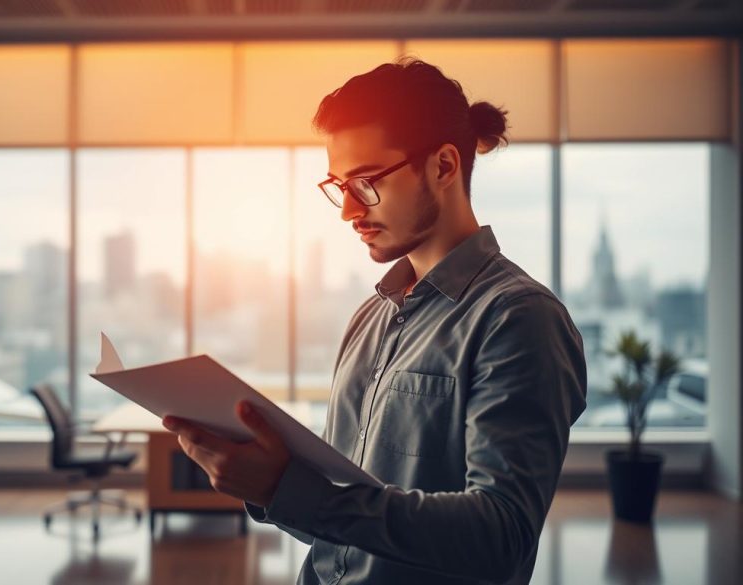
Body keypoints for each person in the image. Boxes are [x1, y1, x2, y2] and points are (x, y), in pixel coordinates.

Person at [162, 57, 587, 585]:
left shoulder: (519, 320)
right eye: (337, 185)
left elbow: (500, 538)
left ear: (444, 166)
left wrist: (287, 490)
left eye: (365, 183)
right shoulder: (371, 317)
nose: (347, 209)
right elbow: (338, 519)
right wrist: (270, 480)